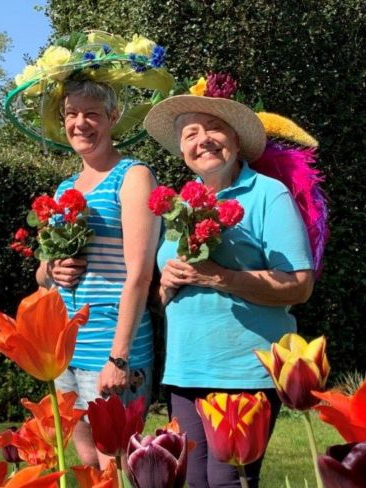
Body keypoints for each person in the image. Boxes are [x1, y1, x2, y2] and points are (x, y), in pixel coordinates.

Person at [143, 92, 315, 487]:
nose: (203, 139)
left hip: (244, 371)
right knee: (194, 481)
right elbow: (161, 299)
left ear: (236, 141)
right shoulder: (175, 205)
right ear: (182, 148)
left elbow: (299, 286)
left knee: (227, 481)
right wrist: (165, 286)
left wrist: (220, 276)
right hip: (186, 371)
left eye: (215, 128)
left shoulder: (268, 194)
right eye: (191, 133)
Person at [35, 78, 160, 468]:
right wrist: (53, 266)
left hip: (111, 344)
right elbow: (43, 276)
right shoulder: (65, 187)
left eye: (91, 114)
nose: (80, 123)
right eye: (72, 114)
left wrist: (119, 358)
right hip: (67, 347)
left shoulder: (133, 176)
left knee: (117, 466)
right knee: (88, 464)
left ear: (113, 117)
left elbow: (139, 273)